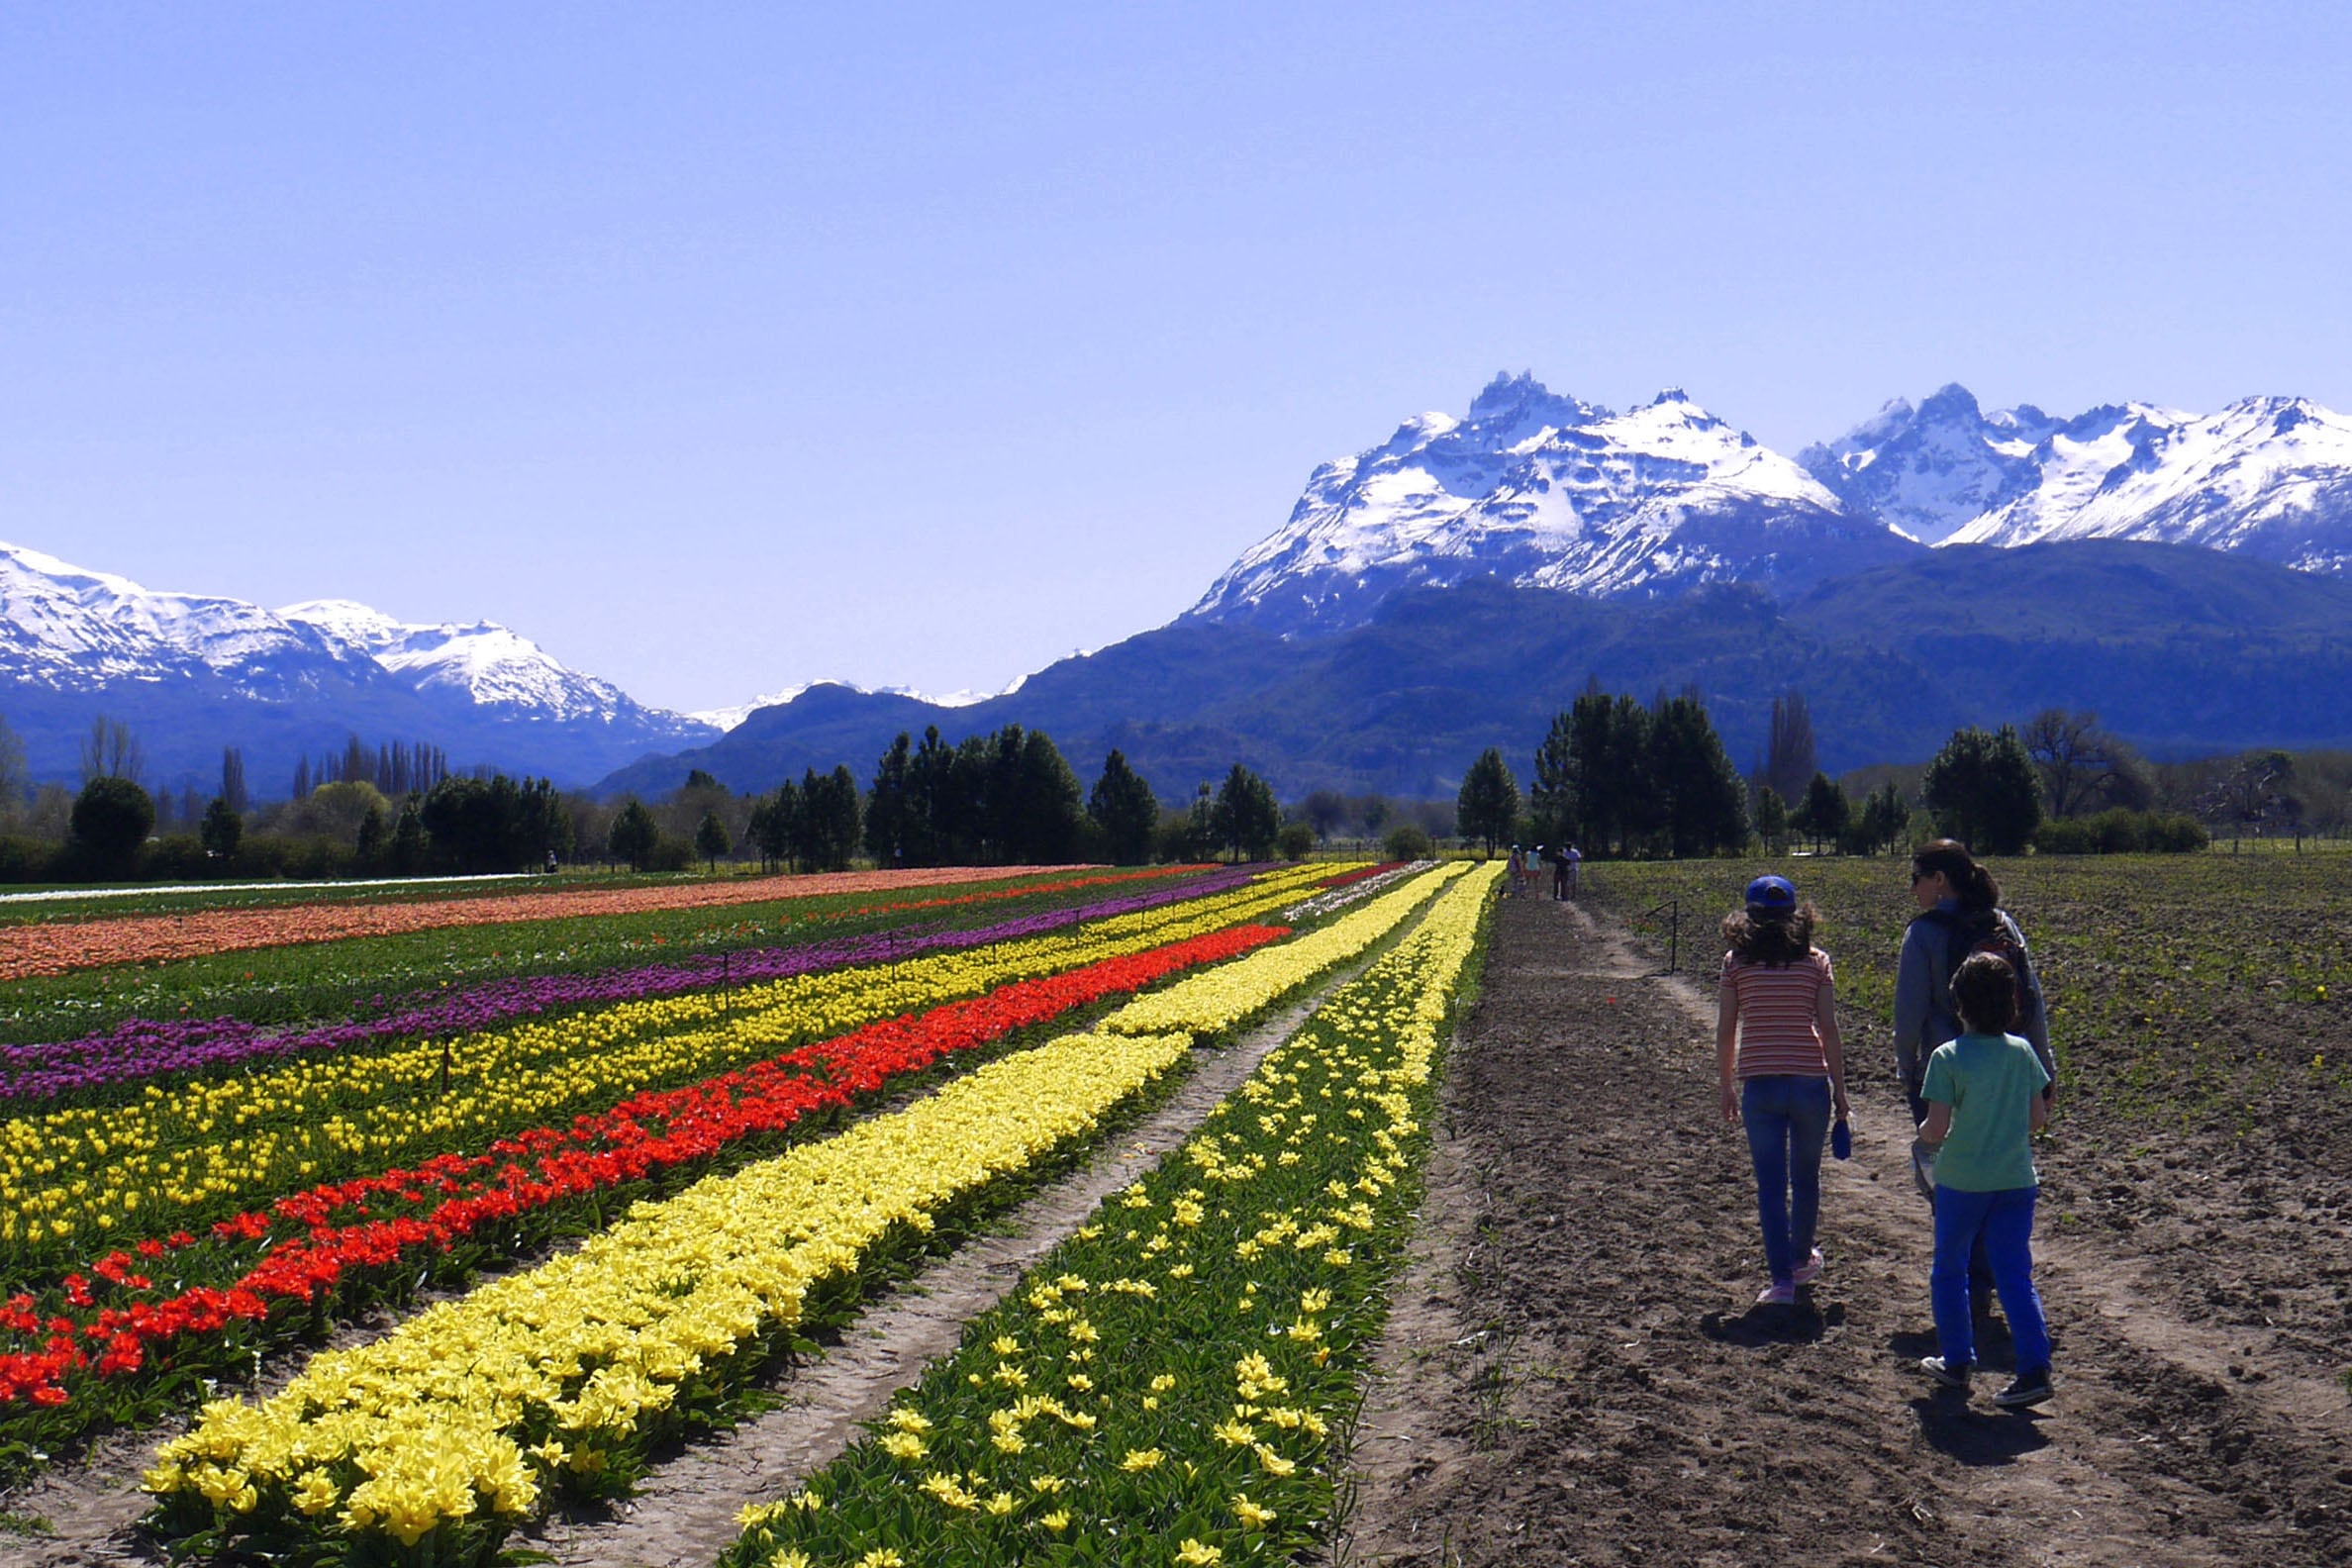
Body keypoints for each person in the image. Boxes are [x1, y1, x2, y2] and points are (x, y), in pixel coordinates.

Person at [1895, 839, 2055, 1314]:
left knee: (1949, 1178)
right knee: (1996, 1169)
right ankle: (1987, 1278)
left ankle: (1966, 1280)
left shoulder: (1922, 934)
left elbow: (1909, 1013)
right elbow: (2032, 999)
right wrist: (2044, 1068)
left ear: (1939, 880)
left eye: (1917, 878)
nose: (1914, 889)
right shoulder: (2002, 924)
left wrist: (1906, 1068)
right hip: (2006, 1068)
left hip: (1944, 1072)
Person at [1915, 951, 2056, 1408]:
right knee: (2014, 1274)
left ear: (1959, 1004)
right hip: (2016, 1180)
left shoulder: (1947, 1057)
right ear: (2011, 1003)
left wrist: (1923, 1137)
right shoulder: (2022, 1052)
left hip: (1961, 1183)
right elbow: (2037, 1119)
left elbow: (1936, 1130)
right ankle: (2034, 1368)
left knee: (1950, 1269)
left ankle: (1957, 1360)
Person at [1716, 874, 1849, 1305]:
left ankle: (1781, 1282)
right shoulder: (1816, 962)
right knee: (1806, 1179)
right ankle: (1800, 1259)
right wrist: (1841, 1091)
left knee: (1770, 1187)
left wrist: (1726, 1085)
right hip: (1810, 1083)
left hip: (1760, 1084)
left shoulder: (1736, 963)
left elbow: (1725, 1030)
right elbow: (1829, 1030)